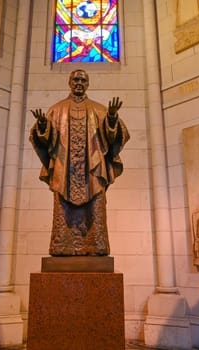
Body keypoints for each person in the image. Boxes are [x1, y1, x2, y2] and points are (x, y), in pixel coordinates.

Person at [29, 70, 130, 256]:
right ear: (69, 82)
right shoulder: (56, 110)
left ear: (88, 84)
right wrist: (43, 126)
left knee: (95, 210)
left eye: (83, 80)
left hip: (92, 173)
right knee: (63, 210)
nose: (79, 83)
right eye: (75, 79)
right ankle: (62, 246)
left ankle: (96, 246)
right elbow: (46, 143)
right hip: (65, 172)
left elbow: (111, 139)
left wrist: (112, 118)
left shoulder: (99, 110)